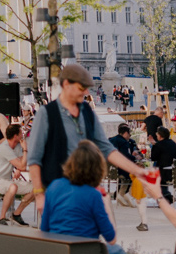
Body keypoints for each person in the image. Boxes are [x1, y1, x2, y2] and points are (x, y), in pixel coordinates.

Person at [28, 64, 150, 218]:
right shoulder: (46, 114)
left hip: (87, 190)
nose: (86, 92)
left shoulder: (87, 112)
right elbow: (34, 158)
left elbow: (107, 148)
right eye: (82, 88)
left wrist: (137, 170)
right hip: (58, 192)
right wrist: (39, 195)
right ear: (66, 85)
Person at [40, 140, 126, 254]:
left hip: (58, 252)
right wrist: (106, 203)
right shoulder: (93, 195)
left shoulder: (53, 187)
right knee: (117, 251)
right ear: (97, 168)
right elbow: (111, 239)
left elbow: (44, 229)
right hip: (84, 253)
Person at [0, 123, 33, 226]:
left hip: (7, 180)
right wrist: (25, 149)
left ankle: (16, 214)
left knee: (35, 188)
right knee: (13, 187)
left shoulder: (17, 145)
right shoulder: (4, 147)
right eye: (21, 133)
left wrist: (19, 169)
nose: (23, 135)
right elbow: (22, 165)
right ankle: (2, 217)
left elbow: (22, 163)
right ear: (15, 136)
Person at [109, 124, 143, 208]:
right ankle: (127, 195)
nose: (129, 136)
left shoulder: (111, 139)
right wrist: (135, 158)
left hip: (111, 169)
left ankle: (121, 195)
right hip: (121, 169)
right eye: (129, 134)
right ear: (125, 133)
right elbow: (125, 155)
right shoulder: (123, 142)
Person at [149, 126, 176, 204]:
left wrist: (154, 145)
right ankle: (166, 196)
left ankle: (166, 196)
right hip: (174, 172)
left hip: (164, 173)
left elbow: (153, 158)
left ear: (160, 135)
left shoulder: (158, 145)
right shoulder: (173, 143)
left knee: (154, 176)